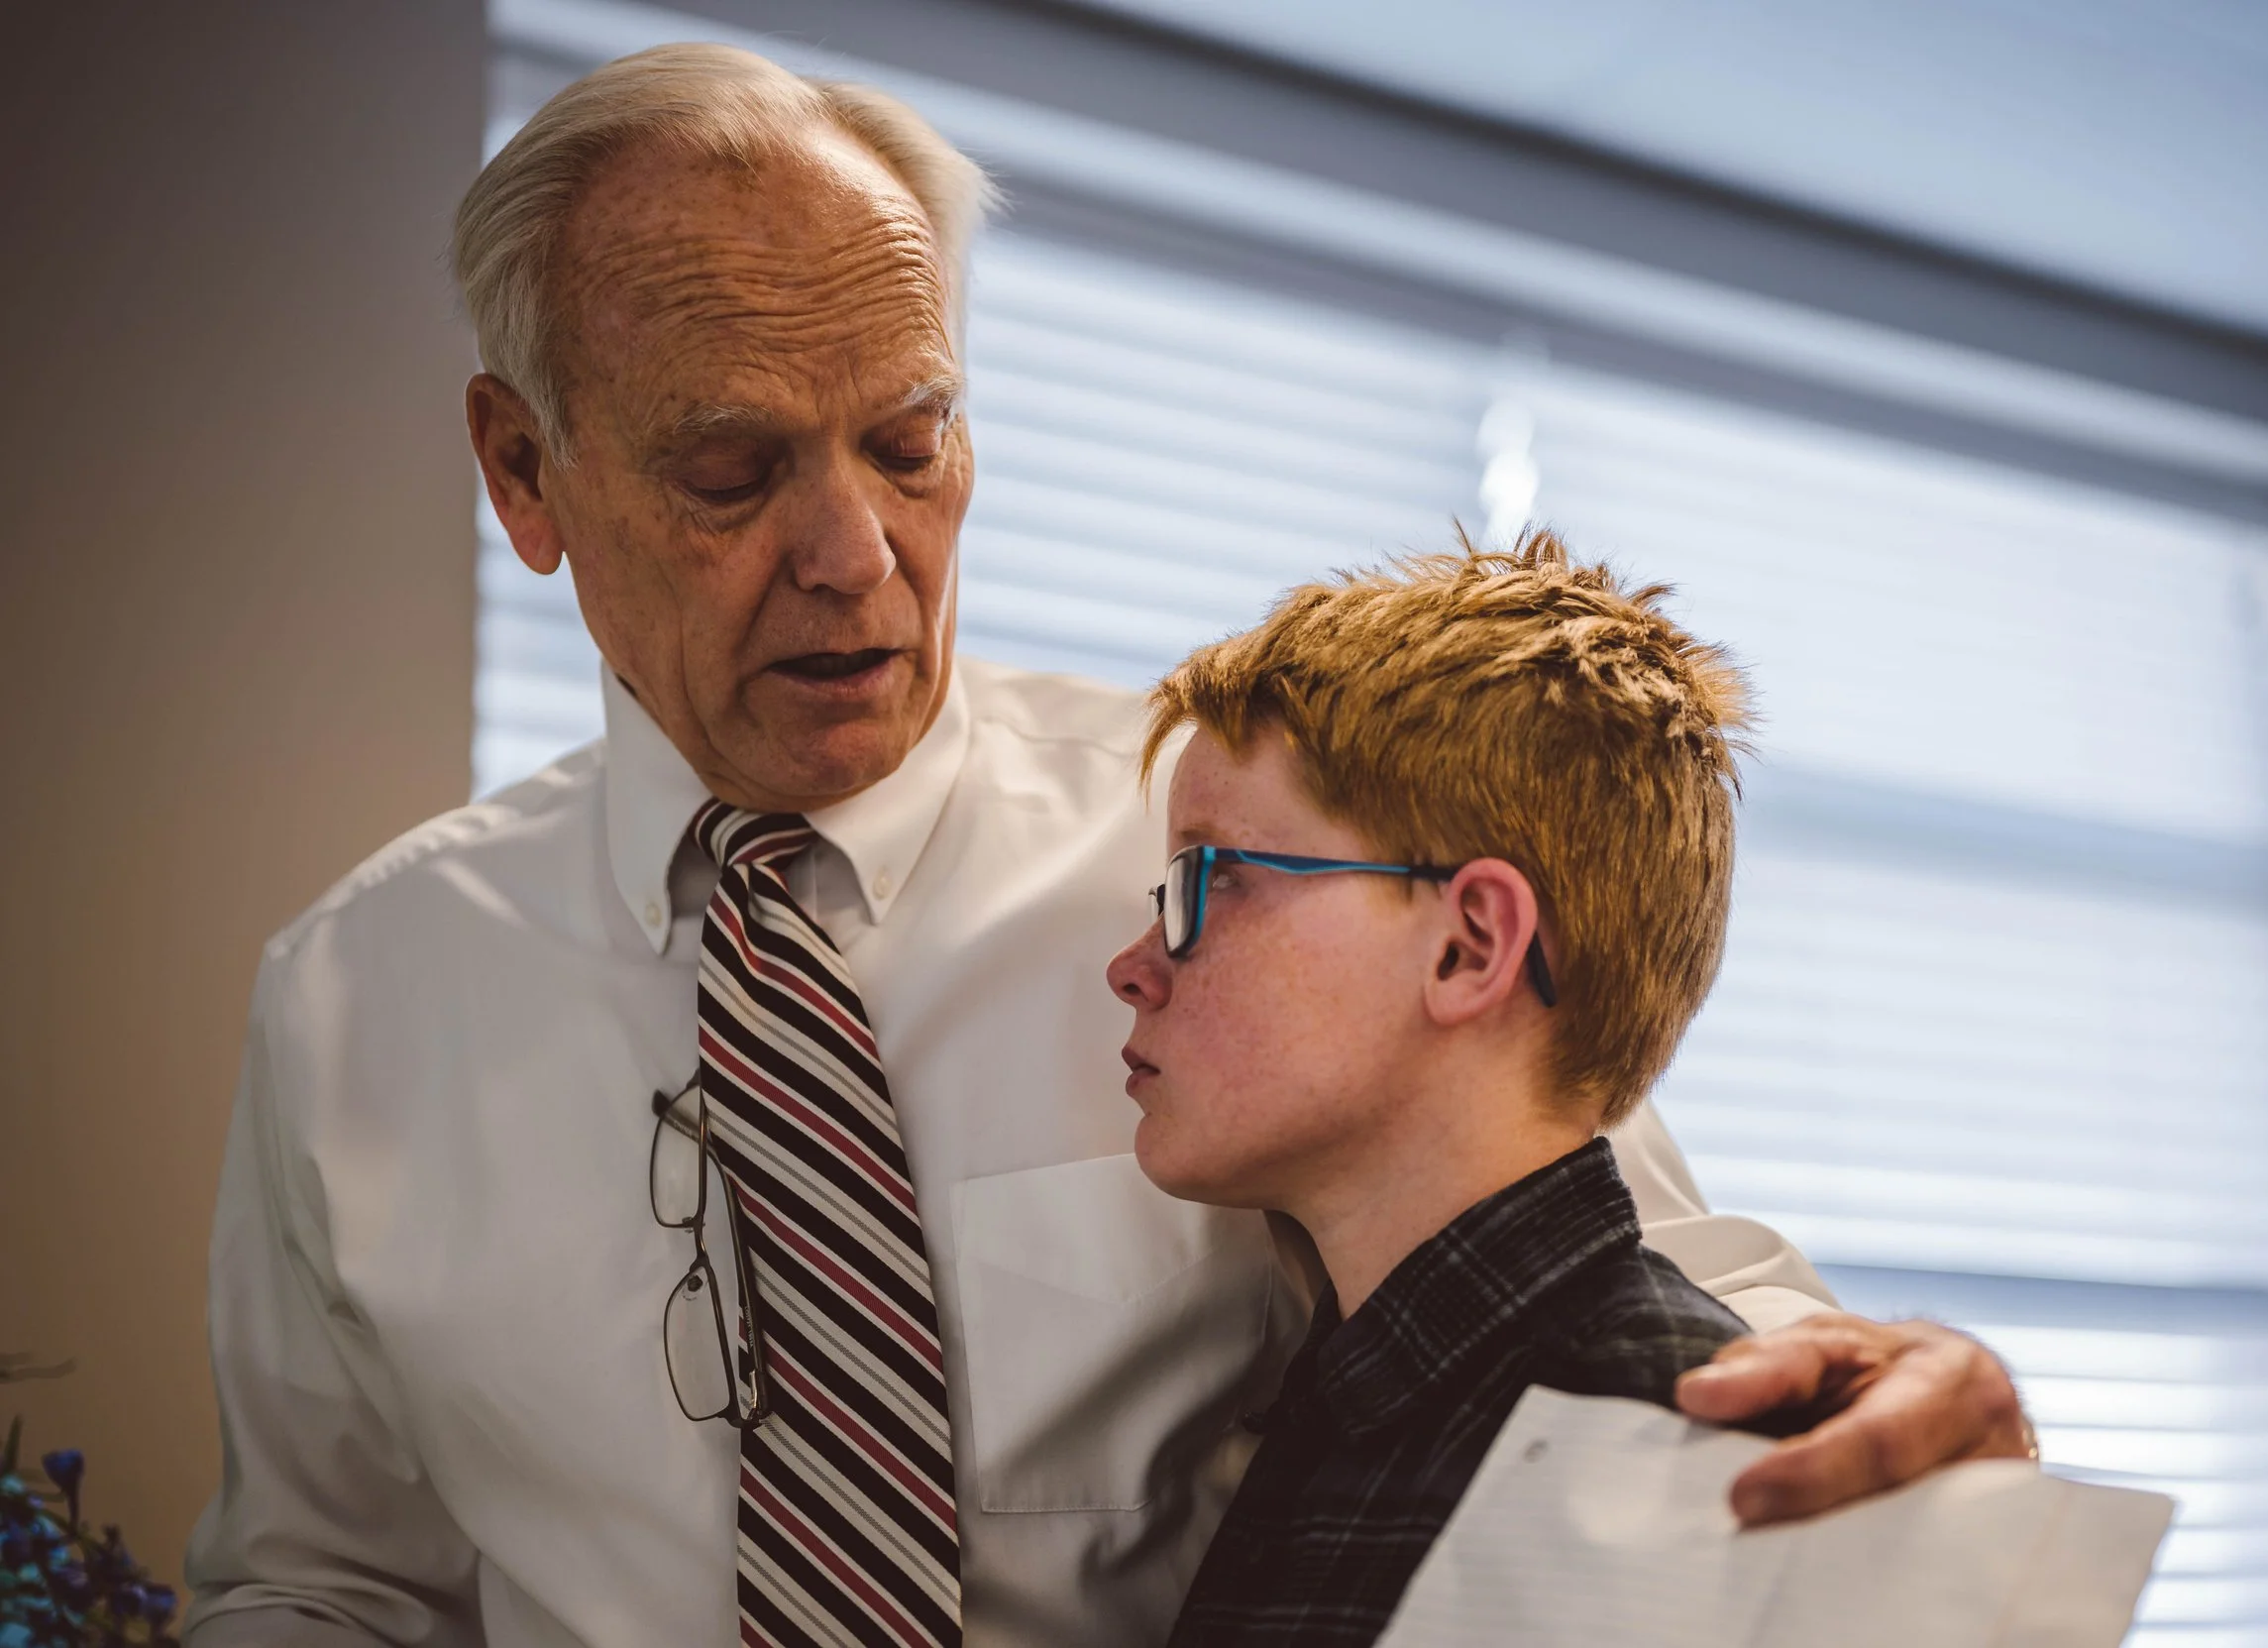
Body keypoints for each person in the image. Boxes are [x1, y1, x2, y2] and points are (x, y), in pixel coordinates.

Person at [183, 42, 2032, 1648]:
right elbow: (326, 1579)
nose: (856, 555)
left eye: (913, 440)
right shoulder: (355, 999)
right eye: (734, 474)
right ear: (523, 470)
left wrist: (1880, 1386)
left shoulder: (1236, 849)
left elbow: (1576, 1232)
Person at [1111, 533, 1757, 1645]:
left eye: (1206, 879)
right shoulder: (1345, 1401)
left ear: (1467, 946)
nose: (1134, 963)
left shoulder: (1672, 1445)